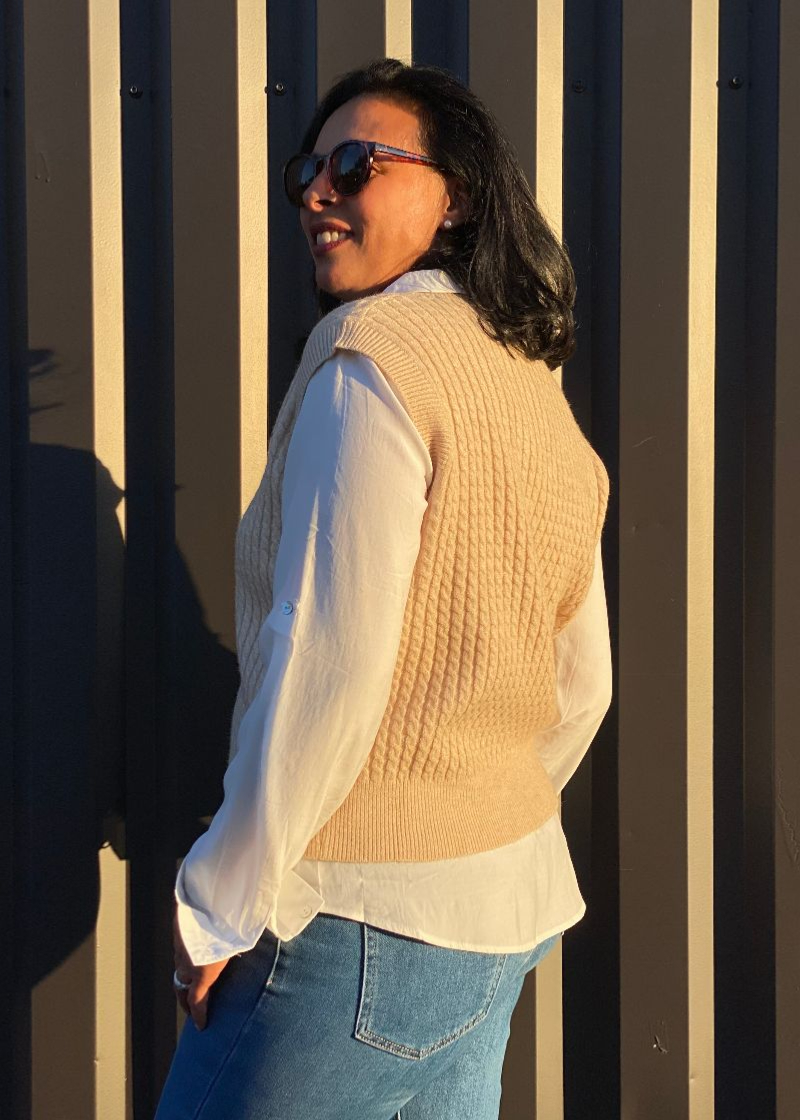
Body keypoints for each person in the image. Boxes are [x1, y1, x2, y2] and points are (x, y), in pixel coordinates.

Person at [154, 58, 611, 1120]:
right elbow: (580, 681)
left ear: (457, 197)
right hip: (501, 913)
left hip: (355, 927)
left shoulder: (369, 359)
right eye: (305, 171)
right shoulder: (529, 381)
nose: (318, 192)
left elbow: (327, 661)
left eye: (357, 164)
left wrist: (218, 905)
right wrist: (472, 805)